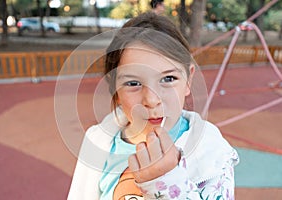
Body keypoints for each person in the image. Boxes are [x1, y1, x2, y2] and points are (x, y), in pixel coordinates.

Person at [67, 12, 239, 200]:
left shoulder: (212, 152)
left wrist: (167, 182)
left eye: (168, 79)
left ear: (188, 79)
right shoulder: (98, 144)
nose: (151, 100)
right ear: (114, 88)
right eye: (133, 83)